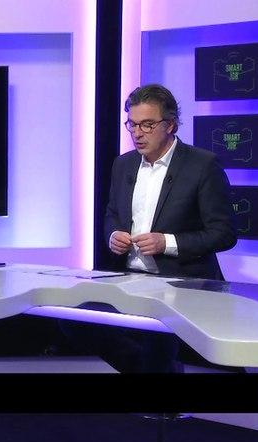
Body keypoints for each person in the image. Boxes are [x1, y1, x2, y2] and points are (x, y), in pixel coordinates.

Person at [60, 84, 236, 373]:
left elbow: (224, 233)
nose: (137, 133)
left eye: (147, 124)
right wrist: (113, 235)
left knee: (157, 345)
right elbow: (112, 214)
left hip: (181, 283)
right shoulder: (123, 164)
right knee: (71, 319)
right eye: (132, 124)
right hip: (129, 280)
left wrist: (166, 242)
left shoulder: (202, 165)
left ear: (170, 125)